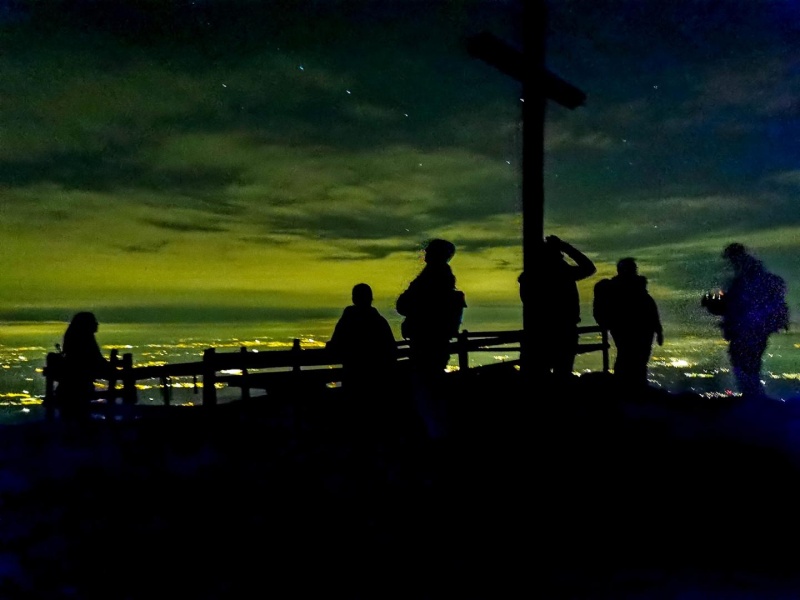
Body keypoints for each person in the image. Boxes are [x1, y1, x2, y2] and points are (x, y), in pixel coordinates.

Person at [396, 238, 466, 440]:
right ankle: (436, 434)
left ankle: (434, 437)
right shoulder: (442, 277)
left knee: (426, 388)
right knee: (431, 386)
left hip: (427, 342)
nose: (425, 253)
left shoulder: (432, 278)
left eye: (429, 251)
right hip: (434, 341)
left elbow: (405, 304)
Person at [702, 242, 789, 398]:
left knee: (745, 365)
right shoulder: (751, 276)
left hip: (749, 331)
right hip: (752, 330)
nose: (729, 262)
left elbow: (737, 305)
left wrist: (715, 304)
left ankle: (754, 403)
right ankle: (754, 401)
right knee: (747, 365)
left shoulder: (748, 277)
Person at [519, 235, 596, 379]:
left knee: (540, 374)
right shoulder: (563, 273)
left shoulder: (531, 275)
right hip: (564, 330)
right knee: (562, 373)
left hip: (540, 331)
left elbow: (528, 302)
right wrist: (566, 247)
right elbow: (589, 268)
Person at [326, 283, 397, 416]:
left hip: (353, 378)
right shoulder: (380, 321)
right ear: (371, 299)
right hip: (378, 383)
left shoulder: (348, 319)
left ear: (354, 299)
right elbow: (391, 350)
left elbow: (335, 345)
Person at [593, 257, 664, 387]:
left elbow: (650, 309)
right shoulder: (630, 289)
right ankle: (631, 388)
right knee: (631, 358)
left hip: (637, 330)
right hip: (633, 330)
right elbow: (651, 309)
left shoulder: (621, 289)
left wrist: (658, 330)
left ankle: (631, 388)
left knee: (633, 359)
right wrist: (658, 330)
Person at [54, 311, 111, 420]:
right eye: (94, 322)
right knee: (78, 415)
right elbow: (95, 358)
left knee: (71, 417)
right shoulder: (86, 338)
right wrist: (110, 370)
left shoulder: (76, 336)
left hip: (69, 386)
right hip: (79, 385)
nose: (97, 324)